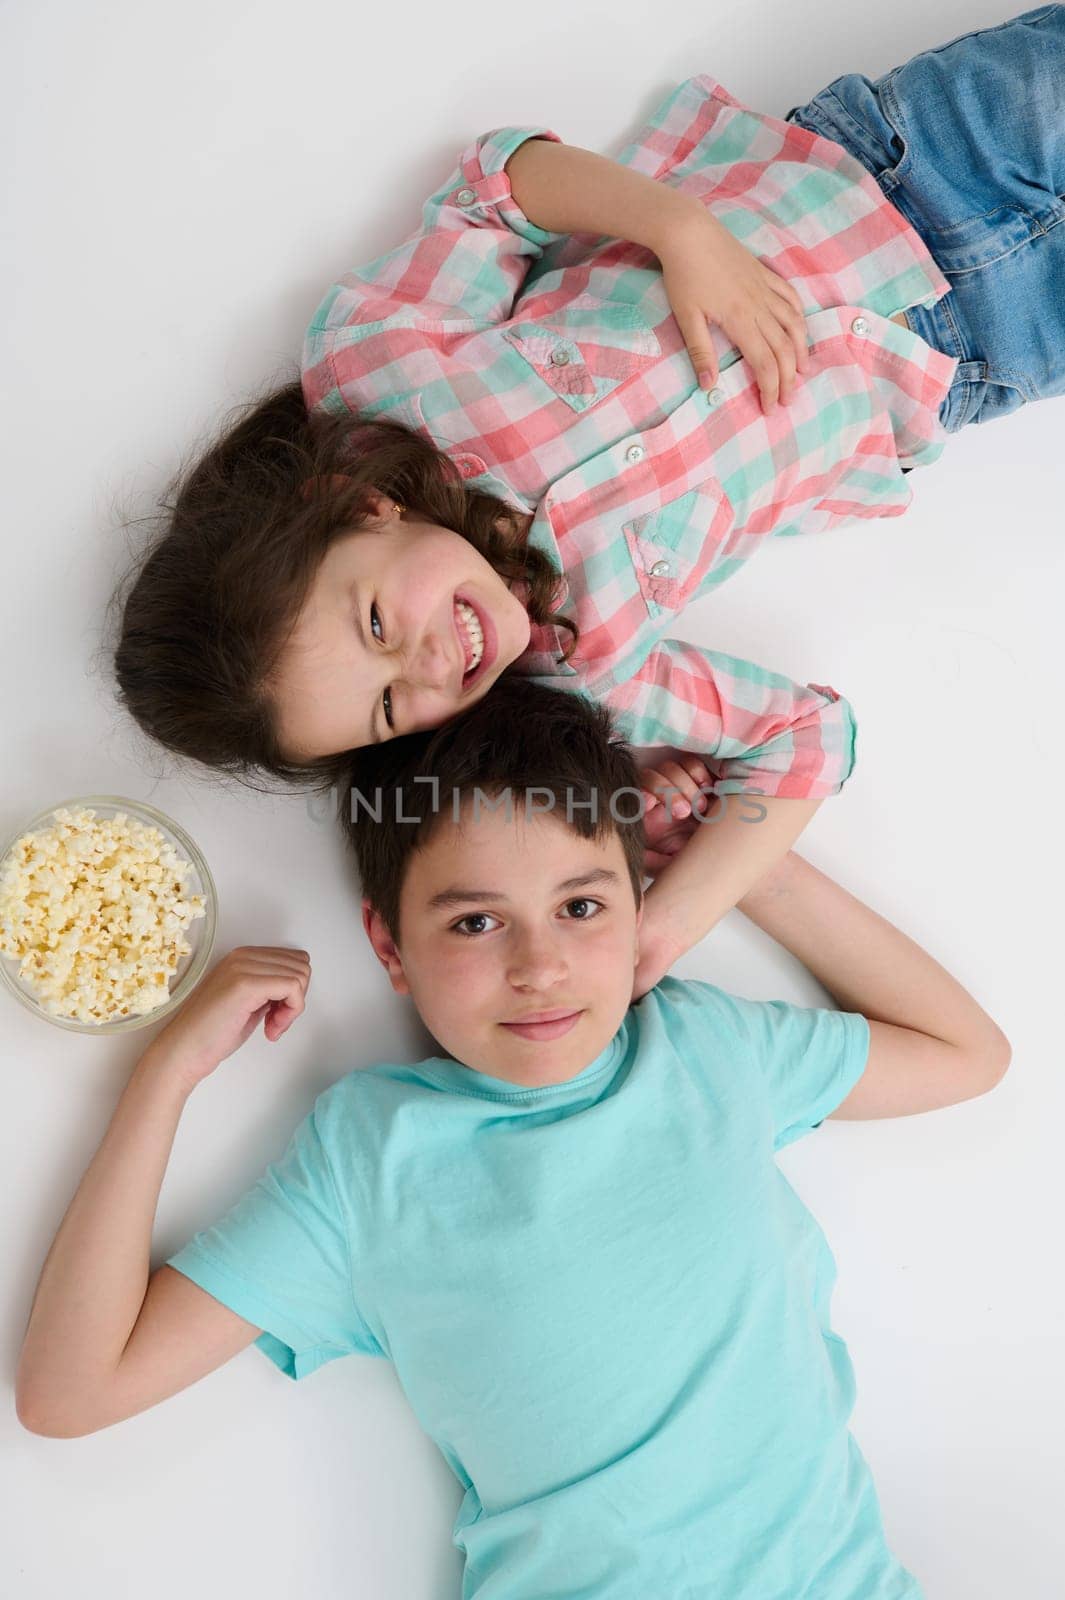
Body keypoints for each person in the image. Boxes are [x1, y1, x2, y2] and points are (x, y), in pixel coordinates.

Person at [110, 9, 1064, 989]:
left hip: (891, 164)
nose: (434, 666)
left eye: (378, 622)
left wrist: (676, 227)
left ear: (354, 509)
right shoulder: (587, 660)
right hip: (962, 353)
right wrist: (661, 933)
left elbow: (493, 185)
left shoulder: (378, 378)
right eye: (392, 706)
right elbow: (803, 738)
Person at [16, 677, 1010, 1600]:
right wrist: (165, 1075)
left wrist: (730, 862)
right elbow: (69, 1390)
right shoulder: (374, 1158)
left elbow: (966, 1053)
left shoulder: (706, 1047)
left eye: (581, 906)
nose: (540, 966)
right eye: (476, 924)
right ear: (389, 949)